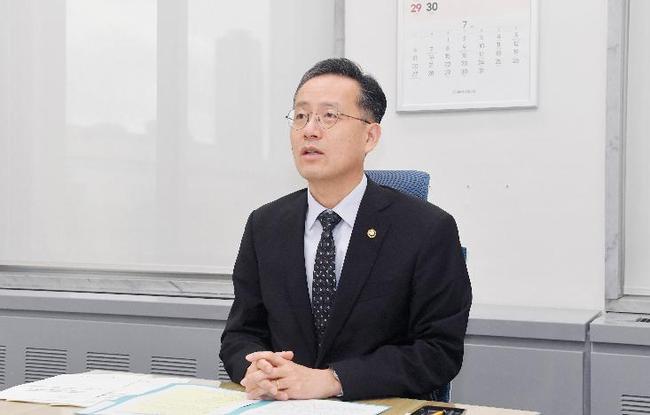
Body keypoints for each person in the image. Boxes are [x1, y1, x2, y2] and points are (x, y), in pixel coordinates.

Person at [219, 58, 472, 402]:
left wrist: (332, 380)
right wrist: (256, 368)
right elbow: (240, 334)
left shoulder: (427, 229)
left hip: (377, 404)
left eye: (329, 116)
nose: (310, 130)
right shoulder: (265, 224)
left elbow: (438, 350)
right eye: (301, 116)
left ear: (370, 136)